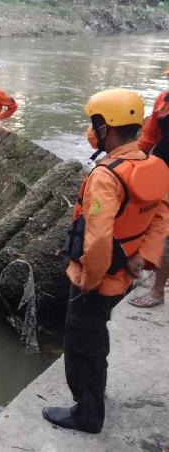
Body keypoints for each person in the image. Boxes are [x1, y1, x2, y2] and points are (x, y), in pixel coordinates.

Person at [43, 89, 169, 434]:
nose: (91, 130)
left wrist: (90, 280)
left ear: (106, 128)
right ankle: (95, 392)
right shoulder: (152, 164)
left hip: (98, 278)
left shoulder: (106, 175)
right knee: (96, 336)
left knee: (82, 343)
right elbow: (162, 215)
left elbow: (97, 237)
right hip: (125, 273)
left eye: (94, 124)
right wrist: (143, 257)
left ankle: (88, 414)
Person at [128, 86, 169, 308]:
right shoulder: (164, 99)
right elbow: (149, 136)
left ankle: (157, 290)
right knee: (154, 223)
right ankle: (154, 278)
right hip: (162, 170)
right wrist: (130, 161)